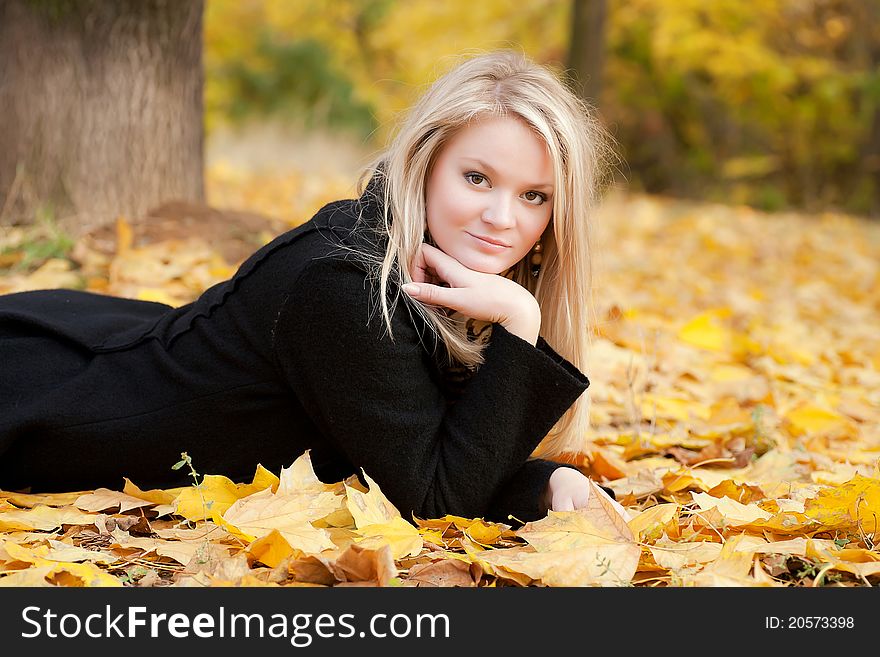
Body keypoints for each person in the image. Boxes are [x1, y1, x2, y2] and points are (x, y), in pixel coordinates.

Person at [0, 49, 619, 527]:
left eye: (534, 196)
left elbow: (405, 446)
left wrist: (542, 483)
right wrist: (518, 323)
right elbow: (433, 499)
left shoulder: (434, 270)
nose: (502, 218)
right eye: (478, 178)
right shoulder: (347, 281)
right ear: (424, 162)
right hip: (45, 404)